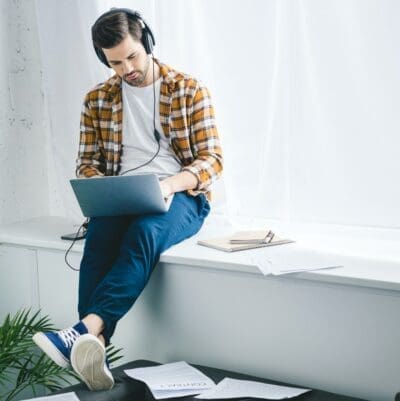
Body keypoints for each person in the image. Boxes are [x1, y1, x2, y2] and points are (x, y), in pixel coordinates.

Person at [32, 8, 223, 391]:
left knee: (143, 232)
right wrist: (103, 188)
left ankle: (84, 332)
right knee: (100, 236)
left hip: (182, 194)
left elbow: (212, 161)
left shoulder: (188, 88)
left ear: (147, 43)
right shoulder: (97, 99)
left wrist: (168, 185)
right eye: (115, 62)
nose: (127, 69)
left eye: (132, 56)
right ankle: (94, 342)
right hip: (123, 195)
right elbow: (87, 163)